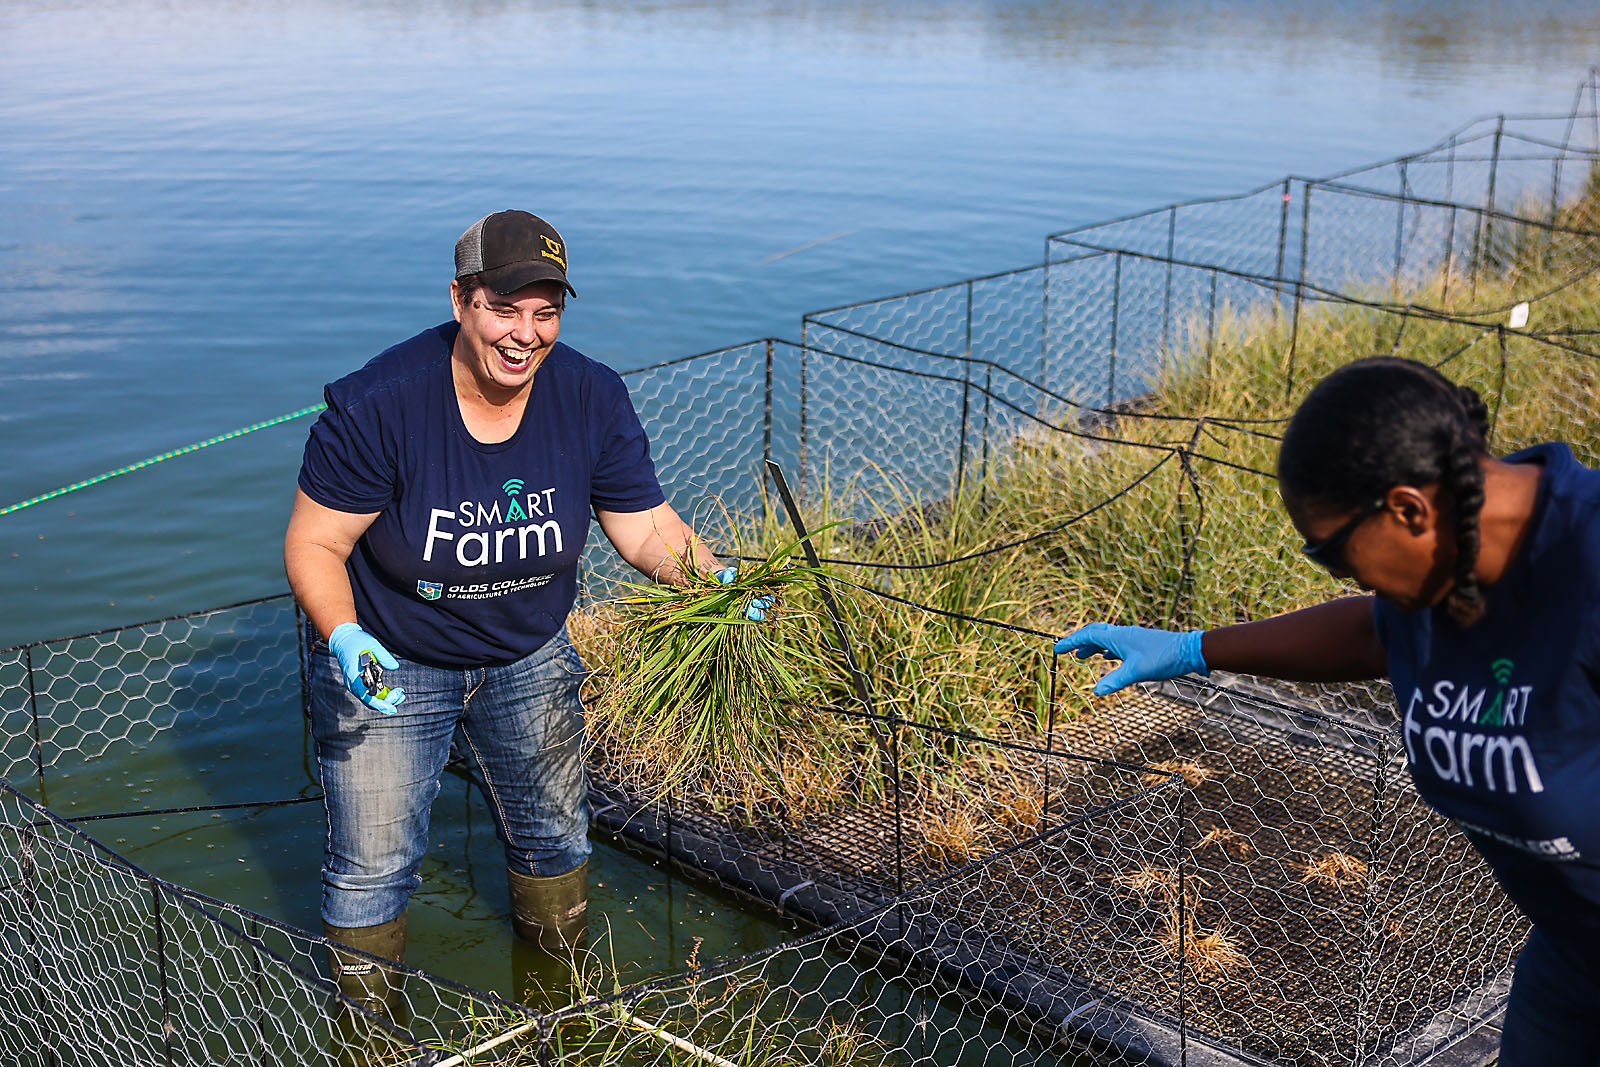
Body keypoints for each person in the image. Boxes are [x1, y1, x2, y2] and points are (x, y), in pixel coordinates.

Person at [1055, 356, 1600, 1065]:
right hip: (1572, 959)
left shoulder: (1585, 561)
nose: (1347, 575)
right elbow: (1370, 629)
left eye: (1333, 552)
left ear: (1408, 507)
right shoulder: (1438, 575)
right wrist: (1190, 648)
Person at [284, 209, 745, 1013]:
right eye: (504, 307)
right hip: (394, 661)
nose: (524, 334)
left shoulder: (591, 395)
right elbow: (314, 545)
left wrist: (722, 584)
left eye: (545, 312)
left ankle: (561, 999)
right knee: (373, 865)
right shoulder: (378, 405)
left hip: (528, 657)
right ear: (460, 300)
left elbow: (645, 529)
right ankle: (367, 1029)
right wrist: (344, 634)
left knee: (555, 836)